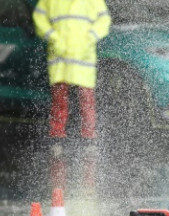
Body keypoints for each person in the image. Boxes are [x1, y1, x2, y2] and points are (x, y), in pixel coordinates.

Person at [33, 0, 111, 140]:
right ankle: (58, 134)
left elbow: (104, 20)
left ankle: (88, 134)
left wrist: (89, 38)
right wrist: (54, 38)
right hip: (62, 56)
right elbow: (39, 18)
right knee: (60, 98)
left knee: (85, 97)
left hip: (81, 56)